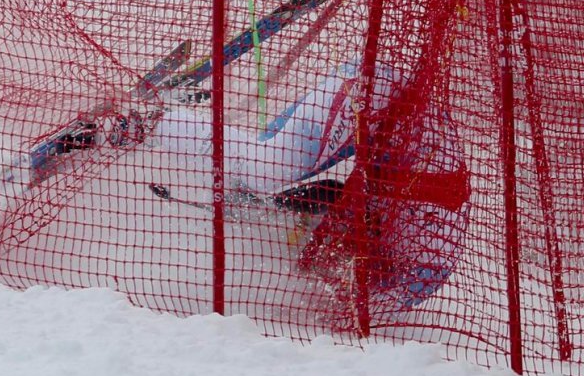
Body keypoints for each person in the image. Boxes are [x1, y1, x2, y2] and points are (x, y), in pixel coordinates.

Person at [108, 58, 471, 316]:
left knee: (266, 164)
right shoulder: (413, 264)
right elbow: (339, 205)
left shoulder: (406, 264)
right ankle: (141, 123)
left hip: (377, 122)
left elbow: (337, 197)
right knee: (273, 166)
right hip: (376, 98)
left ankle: (190, 133)